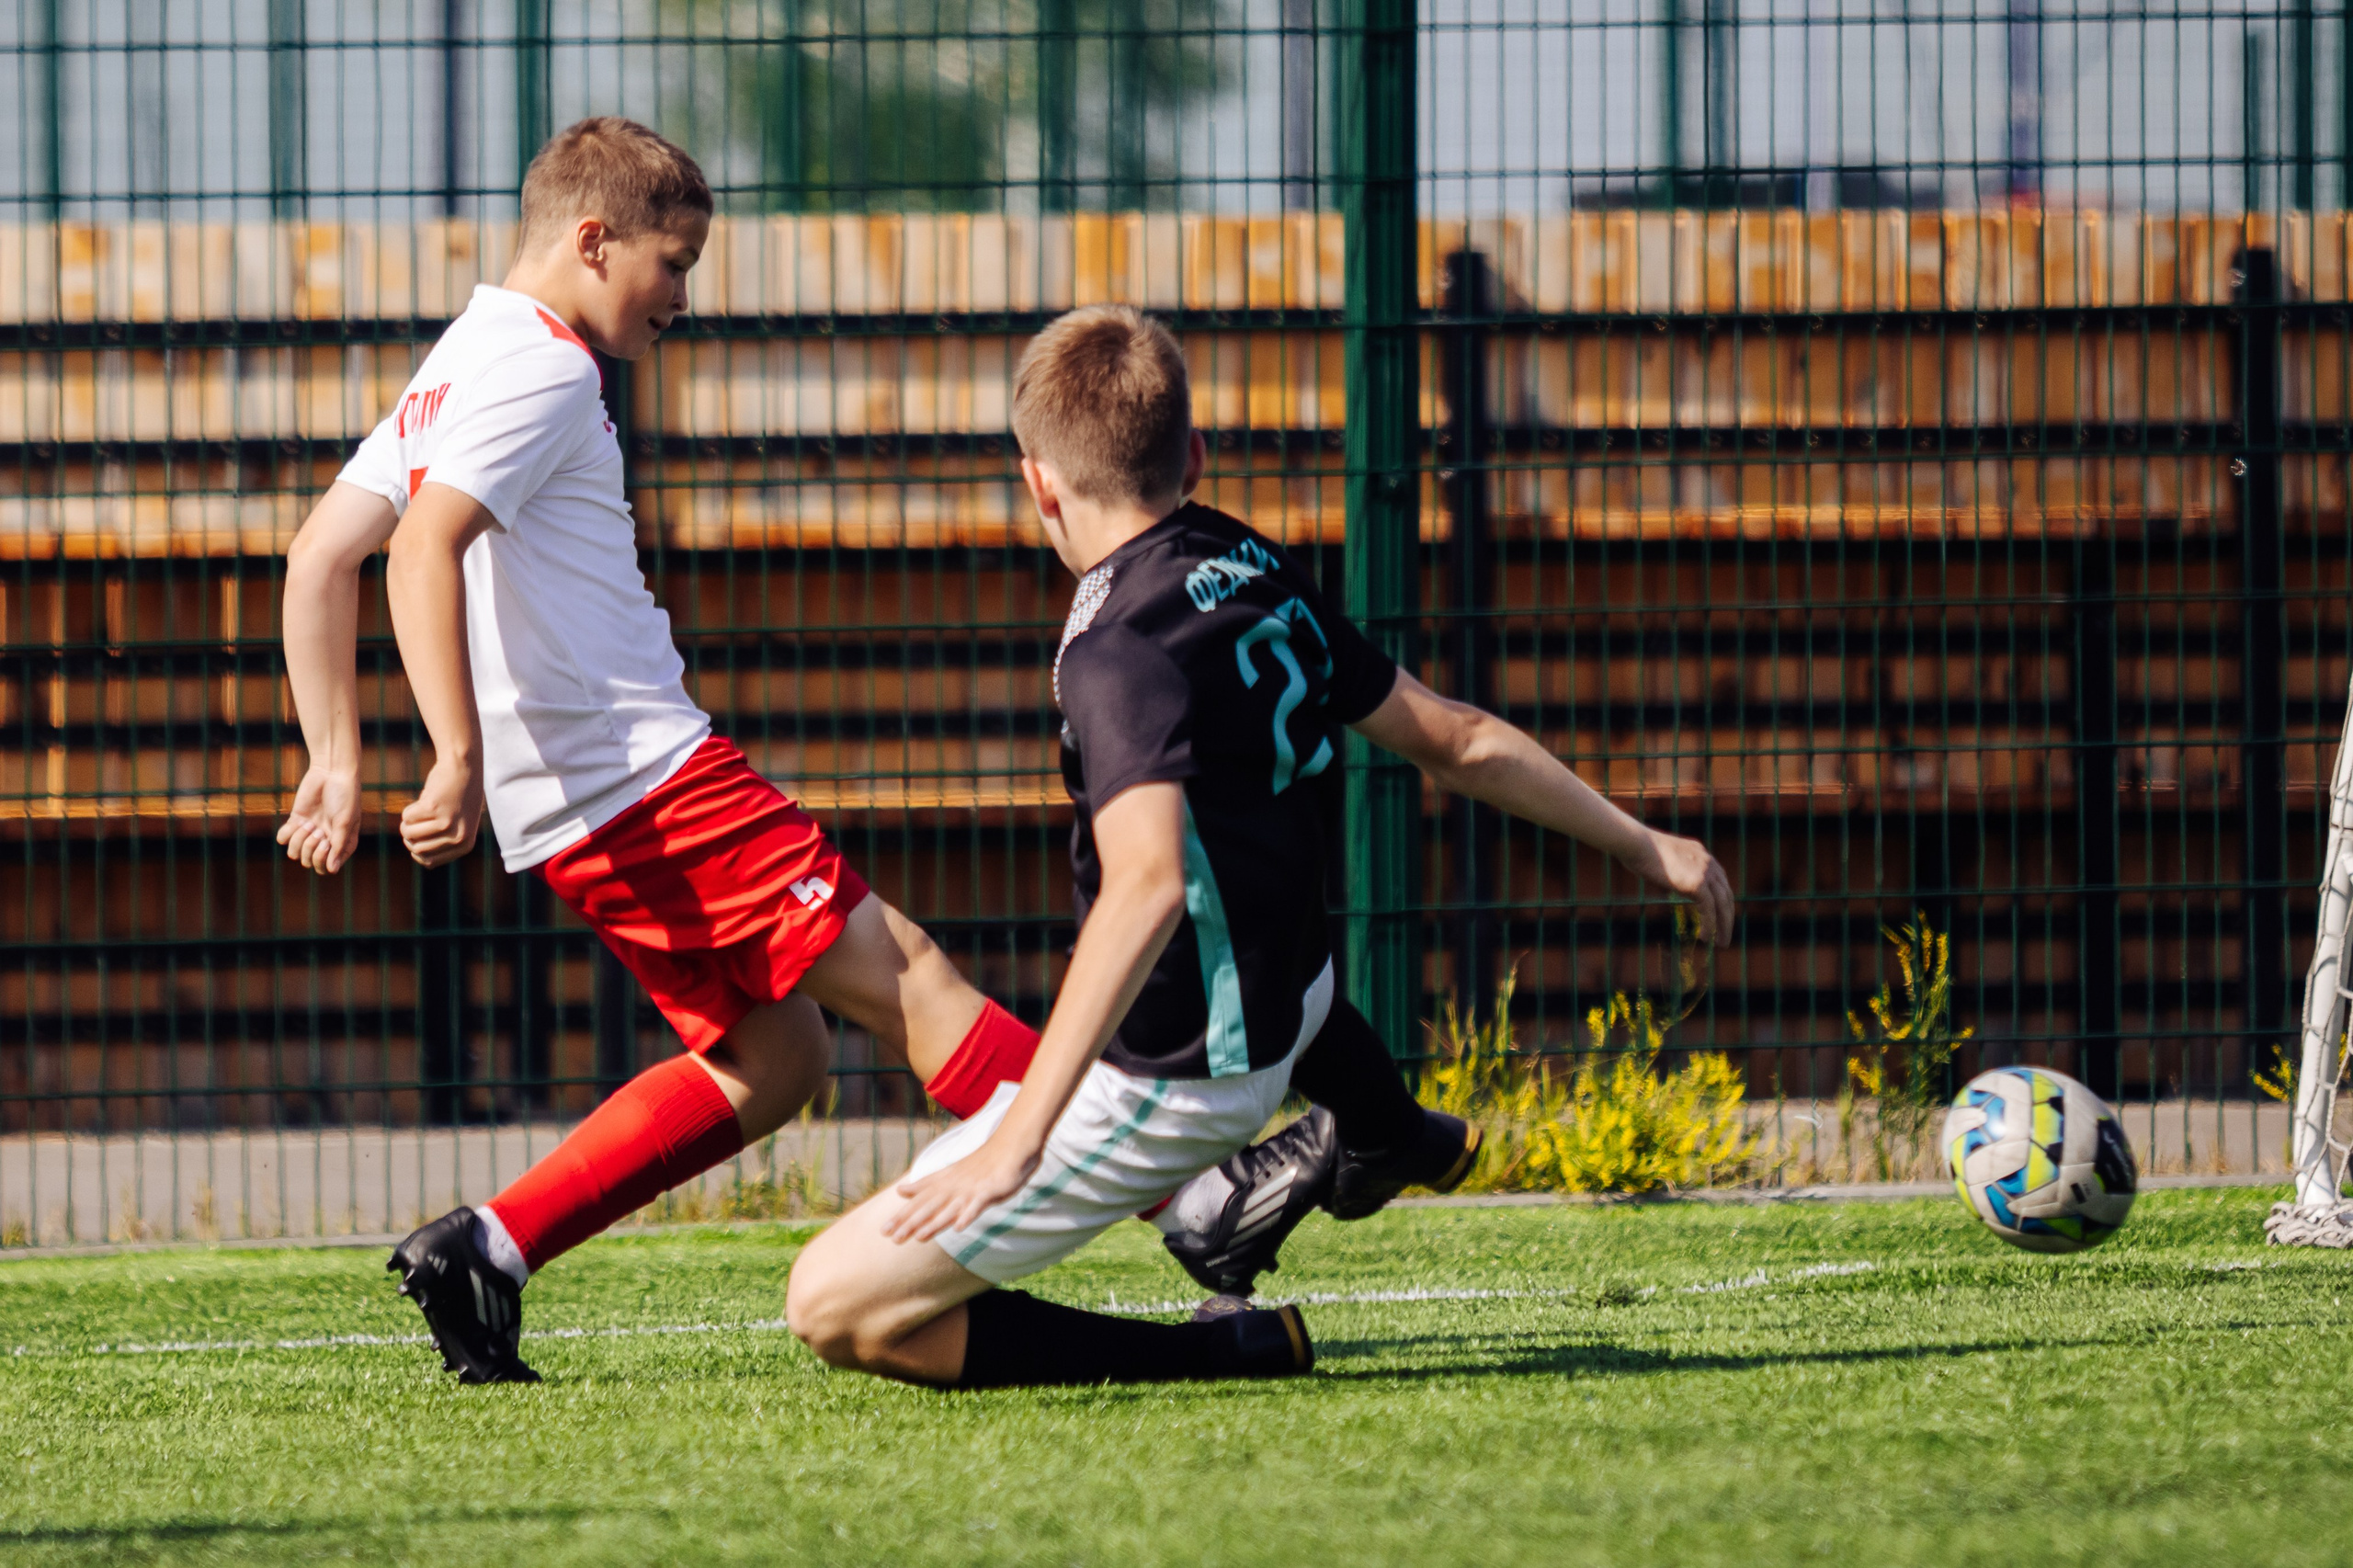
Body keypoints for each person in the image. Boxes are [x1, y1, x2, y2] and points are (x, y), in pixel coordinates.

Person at [781, 304, 1735, 1389]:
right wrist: (1640, 842)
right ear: (1193, 454)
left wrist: (1018, 1141)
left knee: (834, 1306)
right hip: (1293, 1000)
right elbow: (1458, 738)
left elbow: (1142, 892)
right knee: (1263, 901)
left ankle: (1215, 1346)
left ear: (1037, 482)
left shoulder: (1114, 652)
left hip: (1178, 1077)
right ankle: (1389, 1130)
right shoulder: (1245, 557)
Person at [276, 119, 1043, 1384]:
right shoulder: (546, 366)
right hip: (646, 776)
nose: (684, 295)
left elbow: (319, 557)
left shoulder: (460, 358)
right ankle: (1181, 1186)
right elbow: (419, 550)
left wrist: (335, 755)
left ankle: (492, 1246)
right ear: (593, 241)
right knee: (908, 975)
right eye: (673, 263)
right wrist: (448, 754)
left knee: (773, 1058)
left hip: (585, 806)